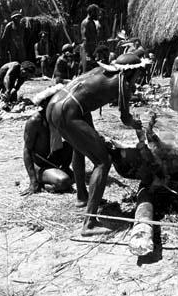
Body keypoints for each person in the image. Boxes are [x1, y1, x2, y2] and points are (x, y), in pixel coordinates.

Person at [46, 53, 148, 235]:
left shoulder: (100, 70)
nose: (138, 79)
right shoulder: (122, 83)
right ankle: (89, 223)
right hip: (69, 111)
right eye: (138, 75)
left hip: (55, 105)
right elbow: (125, 118)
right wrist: (135, 124)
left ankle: (82, 196)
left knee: (80, 148)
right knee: (103, 161)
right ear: (131, 72)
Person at [22, 86, 73, 195]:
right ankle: (42, 183)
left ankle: (64, 169)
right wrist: (33, 181)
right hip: (41, 164)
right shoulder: (35, 121)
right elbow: (27, 150)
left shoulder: (58, 117)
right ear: (45, 104)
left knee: (71, 142)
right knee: (64, 182)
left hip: (55, 158)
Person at [80, 4, 101, 73]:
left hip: (90, 50)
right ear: (92, 13)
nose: (98, 15)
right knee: (87, 72)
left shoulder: (91, 22)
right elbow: (85, 39)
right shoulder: (87, 22)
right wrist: (90, 54)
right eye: (97, 13)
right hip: (88, 51)